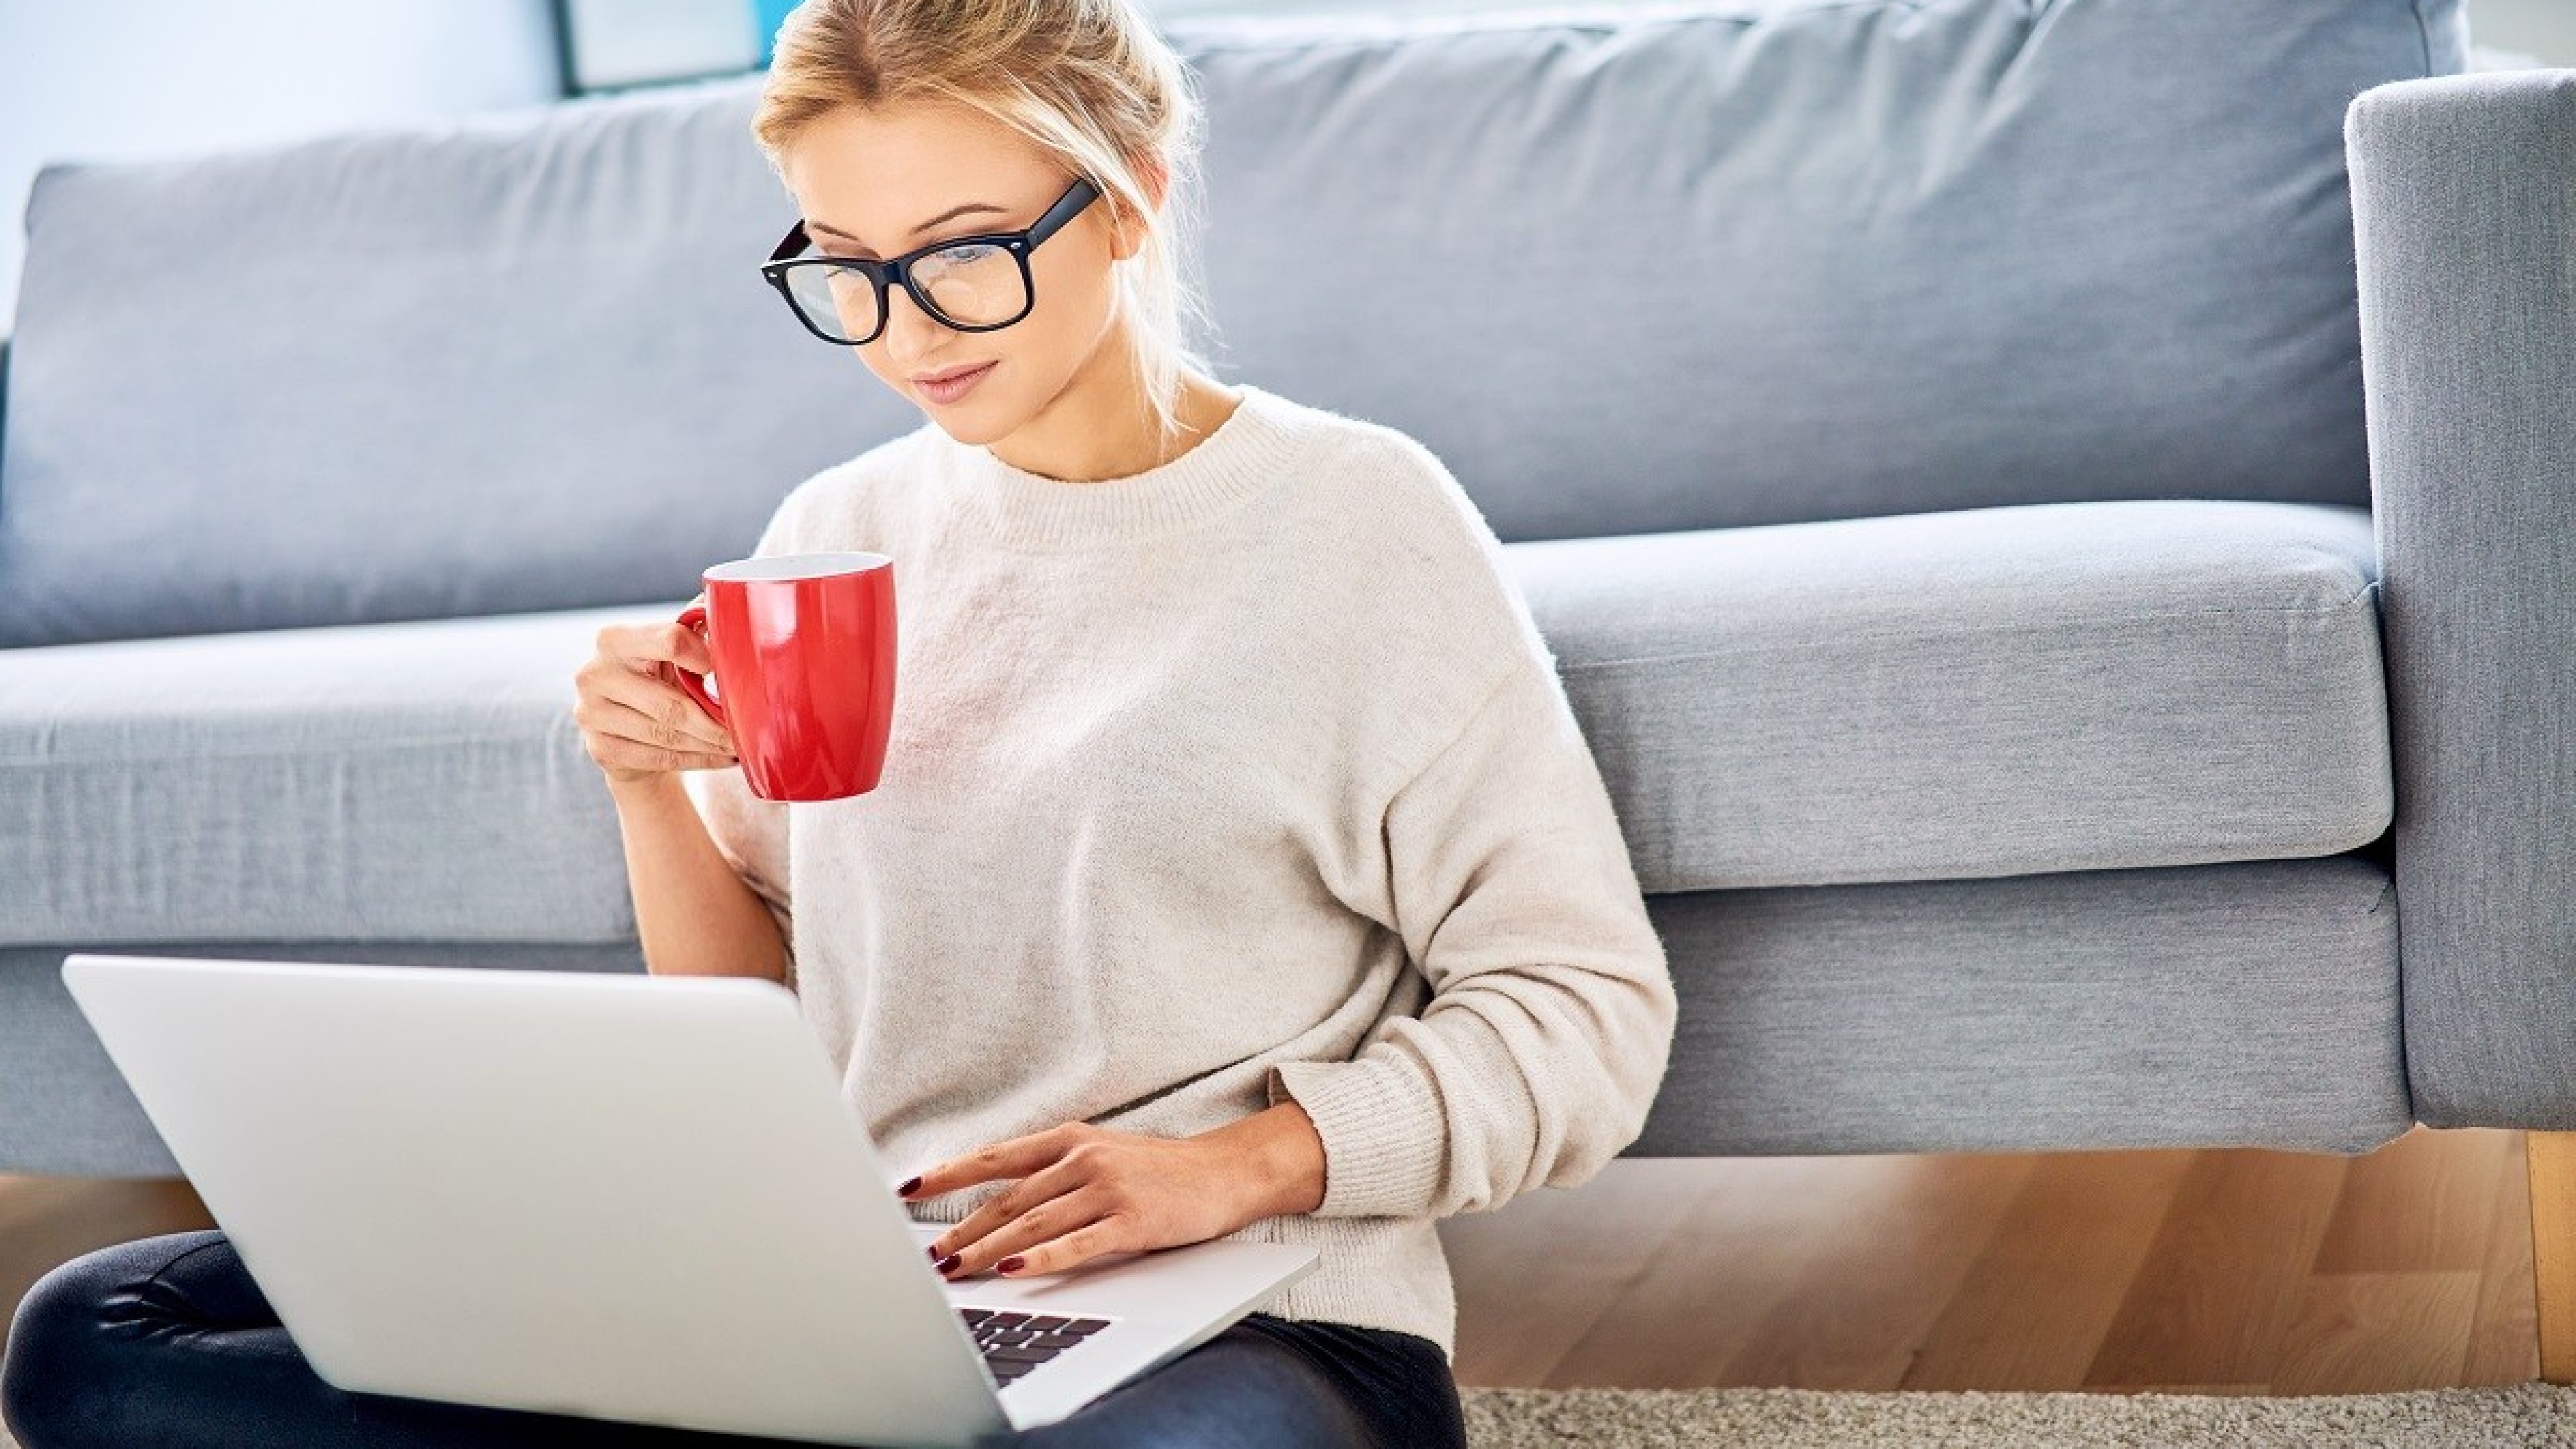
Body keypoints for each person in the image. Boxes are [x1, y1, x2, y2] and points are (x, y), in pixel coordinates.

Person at [0, 1, 1677, 1444]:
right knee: (95, 1336)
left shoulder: (1358, 522)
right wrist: (651, 791)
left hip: (1250, 1320)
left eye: (962, 256)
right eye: (849, 271)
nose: (906, 332)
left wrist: (1239, 1165)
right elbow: (758, 1046)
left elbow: (1586, 1012)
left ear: (1129, 204)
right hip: (842, 1287)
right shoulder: (833, 530)